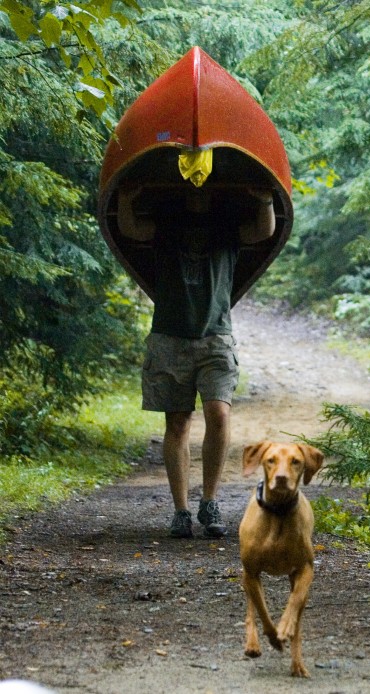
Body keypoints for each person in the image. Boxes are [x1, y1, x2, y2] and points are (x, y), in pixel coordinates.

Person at [118, 183, 276, 538]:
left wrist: (265, 198)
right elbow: (132, 229)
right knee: (177, 424)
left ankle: (210, 501)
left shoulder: (226, 224)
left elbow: (263, 231)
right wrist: (126, 198)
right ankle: (181, 511)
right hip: (170, 337)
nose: (198, 188)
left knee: (219, 414)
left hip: (215, 337)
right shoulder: (167, 221)